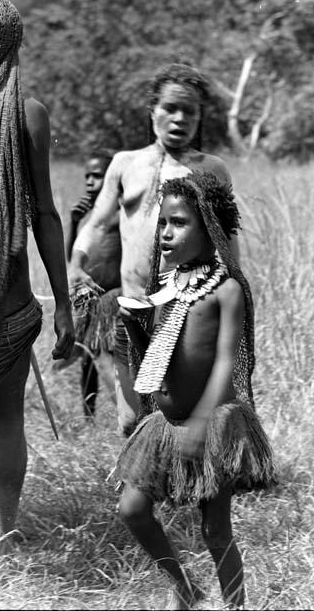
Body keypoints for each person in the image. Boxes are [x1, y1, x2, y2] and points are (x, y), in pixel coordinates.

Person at [109, 173, 275, 610]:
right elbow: (158, 363)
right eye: (162, 222)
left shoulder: (226, 290)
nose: (165, 232)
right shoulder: (167, 287)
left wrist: (202, 422)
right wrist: (132, 328)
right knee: (132, 509)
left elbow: (225, 360)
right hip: (164, 424)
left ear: (210, 227)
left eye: (178, 223)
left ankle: (236, 605)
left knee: (215, 531)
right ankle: (185, 586)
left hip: (213, 423)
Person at [69, 63, 239, 437]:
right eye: (170, 108)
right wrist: (76, 263)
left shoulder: (212, 169)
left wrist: (235, 298)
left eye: (189, 111)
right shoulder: (126, 164)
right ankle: (140, 481)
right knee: (131, 419)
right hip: (132, 310)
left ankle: (181, 483)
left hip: (187, 314)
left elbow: (228, 241)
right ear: (153, 111)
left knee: (179, 410)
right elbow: (97, 224)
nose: (179, 119)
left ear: (200, 117)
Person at [0, 0, 74, 554]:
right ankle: (4, 529)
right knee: (5, 420)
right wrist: (64, 303)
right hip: (11, 305)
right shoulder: (29, 113)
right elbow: (44, 213)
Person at [64, 151, 121, 419]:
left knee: (107, 356)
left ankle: (127, 415)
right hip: (89, 298)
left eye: (97, 176)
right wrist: (75, 223)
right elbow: (71, 259)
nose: (89, 181)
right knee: (87, 358)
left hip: (112, 296)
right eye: (87, 175)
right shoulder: (90, 216)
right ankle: (89, 416)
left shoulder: (120, 212)